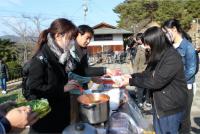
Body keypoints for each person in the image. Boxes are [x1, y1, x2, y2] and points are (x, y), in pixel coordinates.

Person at [118, 26, 188, 134]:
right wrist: (132, 76)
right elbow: (147, 73)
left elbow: (156, 82)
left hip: (170, 107)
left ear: (156, 42)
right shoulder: (158, 55)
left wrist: (131, 81)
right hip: (159, 105)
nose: (146, 47)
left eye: (147, 43)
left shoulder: (172, 57)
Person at [27, 18, 78, 133]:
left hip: (60, 116)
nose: (72, 42)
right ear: (58, 36)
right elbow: (34, 88)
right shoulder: (41, 58)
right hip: (45, 122)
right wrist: (63, 88)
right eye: (70, 38)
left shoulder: (62, 55)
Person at [163, 19, 197, 134]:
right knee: (174, 116)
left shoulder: (188, 47)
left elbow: (191, 70)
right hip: (172, 87)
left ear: (174, 29)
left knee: (184, 117)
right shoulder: (170, 47)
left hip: (185, 87)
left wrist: (176, 81)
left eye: (166, 32)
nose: (166, 35)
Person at [132, 33, 147, 108]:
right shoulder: (139, 48)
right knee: (140, 88)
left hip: (149, 72)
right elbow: (136, 62)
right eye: (137, 40)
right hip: (140, 71)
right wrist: (135, 74)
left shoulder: (149, 46)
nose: (138, 41)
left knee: (148, 88)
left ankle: (148, 100)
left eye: (139, 39)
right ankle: (140, 101)